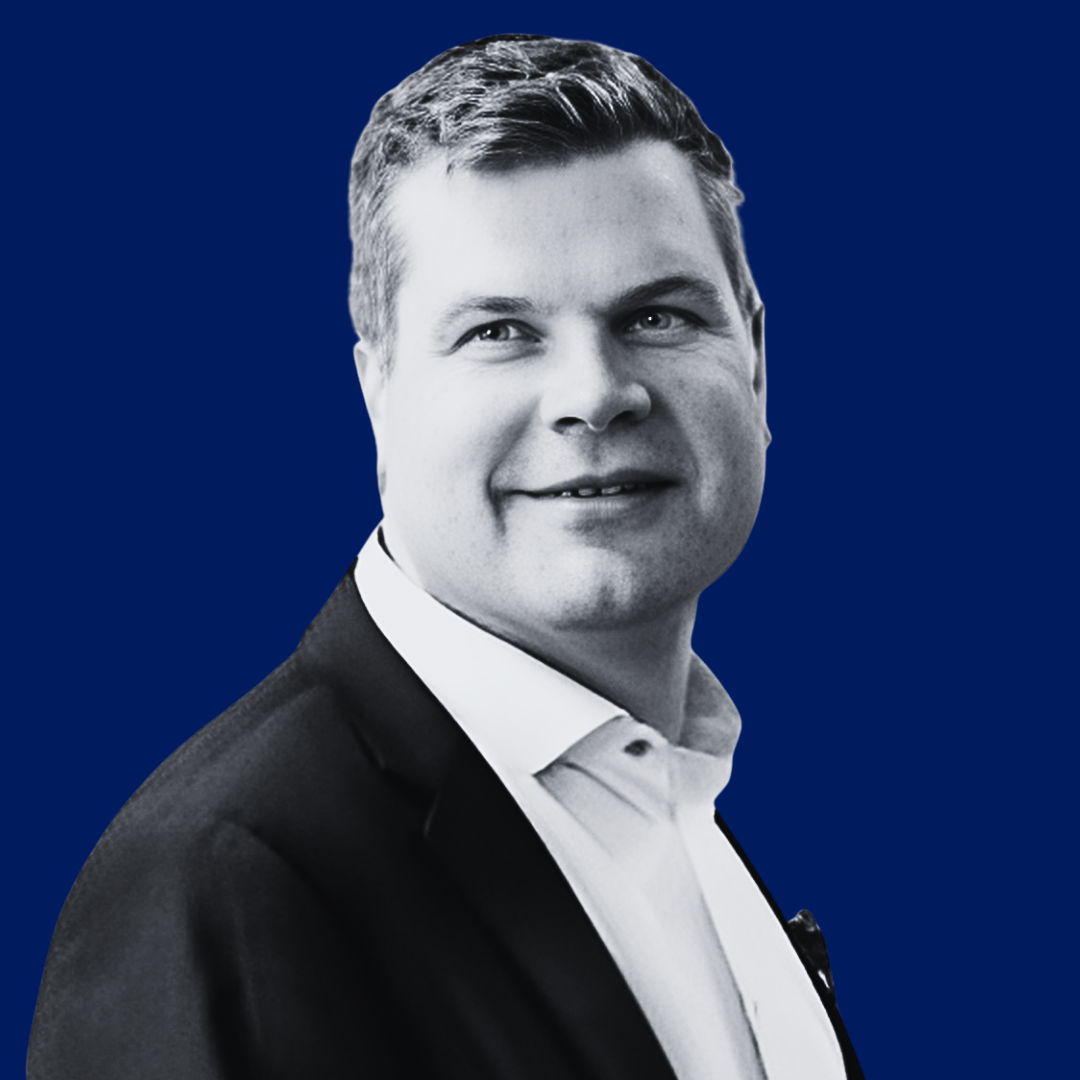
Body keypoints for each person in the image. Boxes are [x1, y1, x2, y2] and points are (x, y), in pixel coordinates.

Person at [29, 34, 864, 1080]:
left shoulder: (669, 796)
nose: (596, 393)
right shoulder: (224, 878)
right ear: (379, 389)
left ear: (756, 358)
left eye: (657, 314)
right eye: (501, 332)